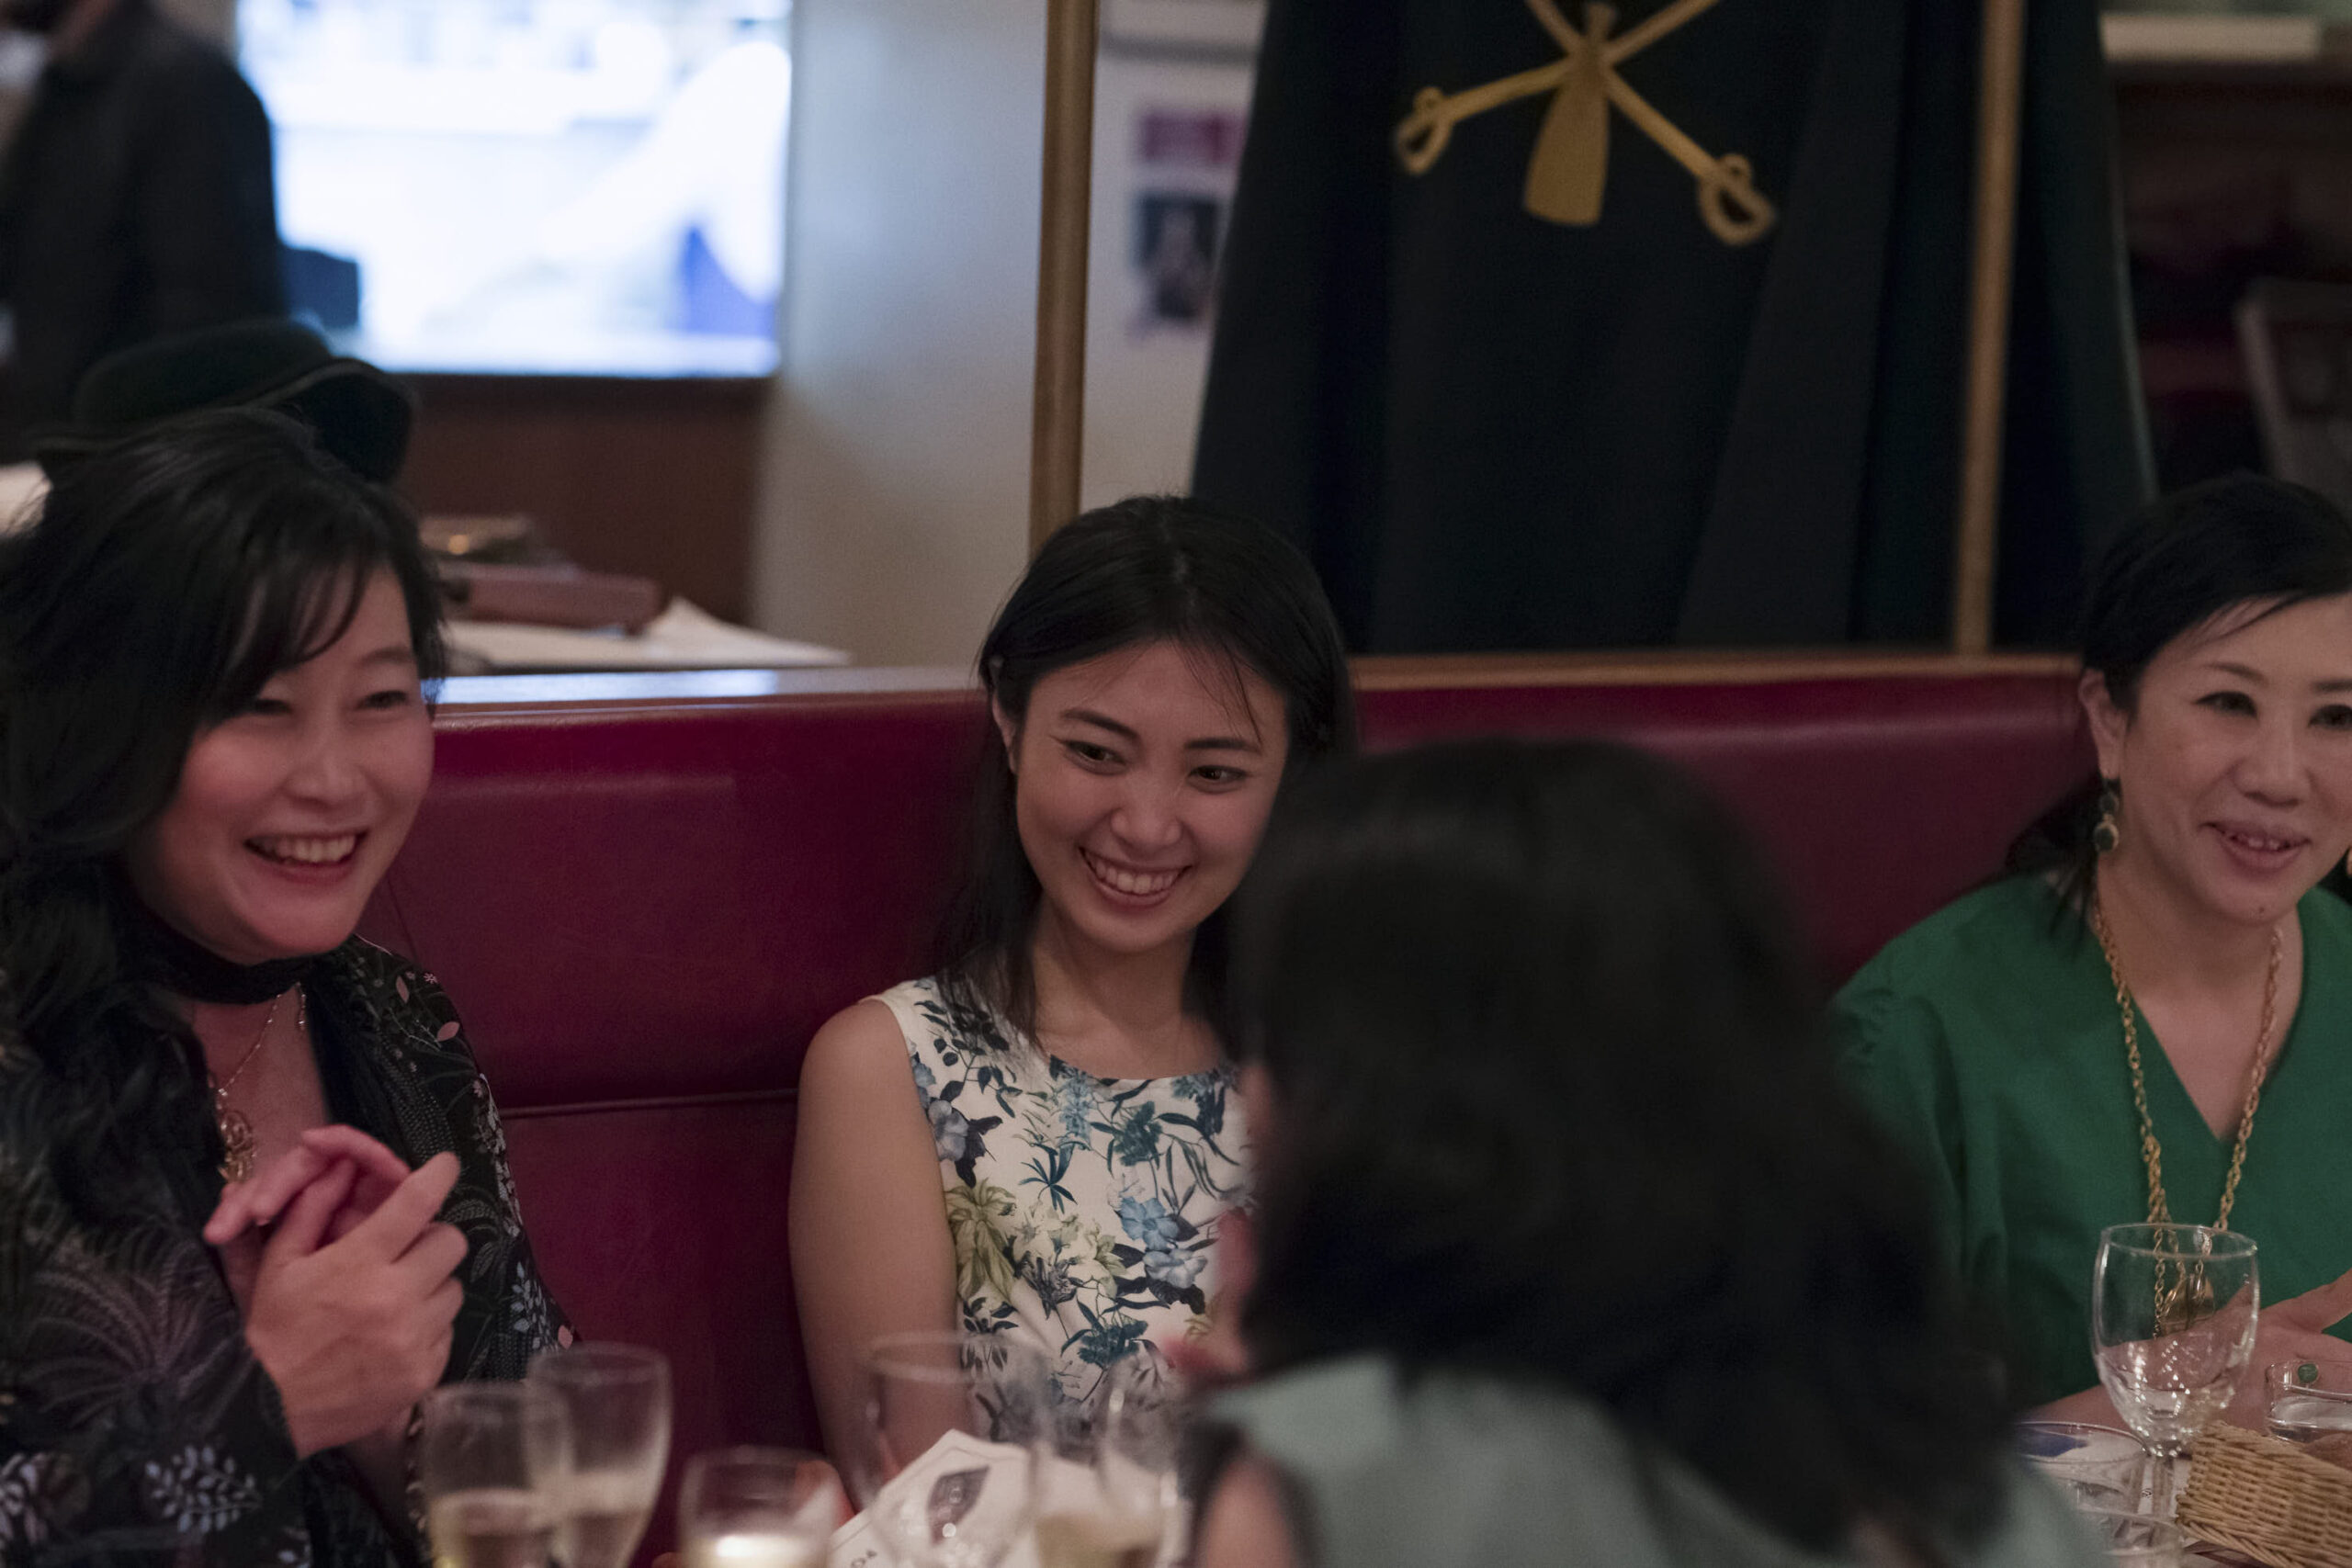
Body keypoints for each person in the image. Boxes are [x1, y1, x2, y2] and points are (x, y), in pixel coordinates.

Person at [1195, 739, 2102, 1568]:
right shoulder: (1983, 1493)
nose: (1252, 1090)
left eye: (1276, 1040)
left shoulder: (1325, 1487)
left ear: (1392, 1120)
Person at [0, 409, 565, 1562]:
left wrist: (395, 1419)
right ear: (94, 723)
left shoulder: (397, 1026)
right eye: (261, 707)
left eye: (381, 700)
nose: (336, 780)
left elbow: (555, 1486)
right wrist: (271, 1405)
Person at [790, 496, 1355, 1461]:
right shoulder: (893, 1069)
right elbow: (920, 1503)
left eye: (1214, 774)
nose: (1146, 824)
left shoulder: (1345, 1063)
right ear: (1010, 722)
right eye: (1096, 753)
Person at [1836, 474, 2352, 1419]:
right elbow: (1816, 1467)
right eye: (2228, 702)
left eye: (2337, 718)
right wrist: (2160, 1404)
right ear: (2112, 720)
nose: (2281, 775)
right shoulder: (1912, 1035)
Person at [0, 0, 284, 452]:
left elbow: (214, 328)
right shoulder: (61, 85)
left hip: (130, 462)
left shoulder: (186, 85)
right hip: (56, 447)